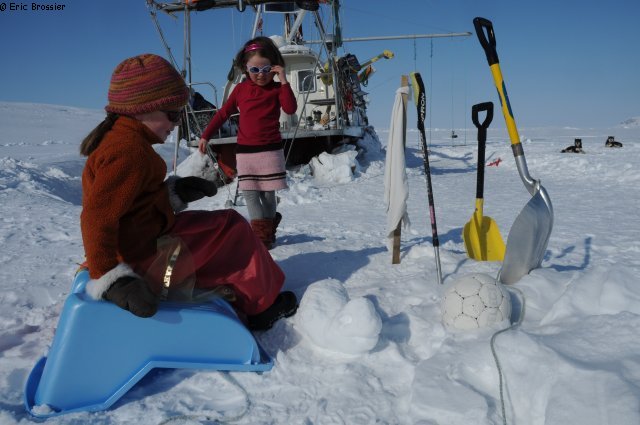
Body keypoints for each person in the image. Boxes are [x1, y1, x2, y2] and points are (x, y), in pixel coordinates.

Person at [79, 53, 297, 330]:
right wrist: (111, 280)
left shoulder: (124, 140)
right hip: (145, 260)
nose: (176, 123)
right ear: (141, 109)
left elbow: (133, 204)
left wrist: (174, 193)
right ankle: (262, 307)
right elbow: (97, 218)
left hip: (145, 242)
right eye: (172, 114)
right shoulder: (126, 151)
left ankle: (230, 287)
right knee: (233, 232)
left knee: (219, 225)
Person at [198, 36, 297, 249]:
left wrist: (284, 79)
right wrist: (206, 135)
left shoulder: (277, 89)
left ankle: (266, 232)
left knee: (267, 195)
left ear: (274, 67)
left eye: (266, 69)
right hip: (246, 152)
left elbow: (290, 109)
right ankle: (261, 238)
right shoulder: (241, 90)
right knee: (250, 193)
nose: (261, 75)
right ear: (246, 68)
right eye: (255, 70)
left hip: (270, 151)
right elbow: (223, 113)